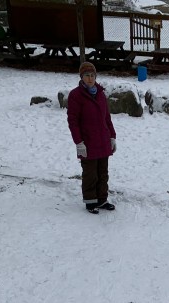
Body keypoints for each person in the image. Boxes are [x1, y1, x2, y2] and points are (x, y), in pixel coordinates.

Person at [67, 62, 117, 214]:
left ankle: (102, 199)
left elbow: (107, 118)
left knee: (103, 173)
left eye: (92, 75)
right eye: (87, 75)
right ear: (81, 77)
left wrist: (112, 136)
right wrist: (78, 142)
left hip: (103, 139)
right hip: (87, 142)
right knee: (90, 174)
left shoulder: (100, 94)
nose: (90, 78)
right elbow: (73, 121)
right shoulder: (75, 95)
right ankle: (90, 201)